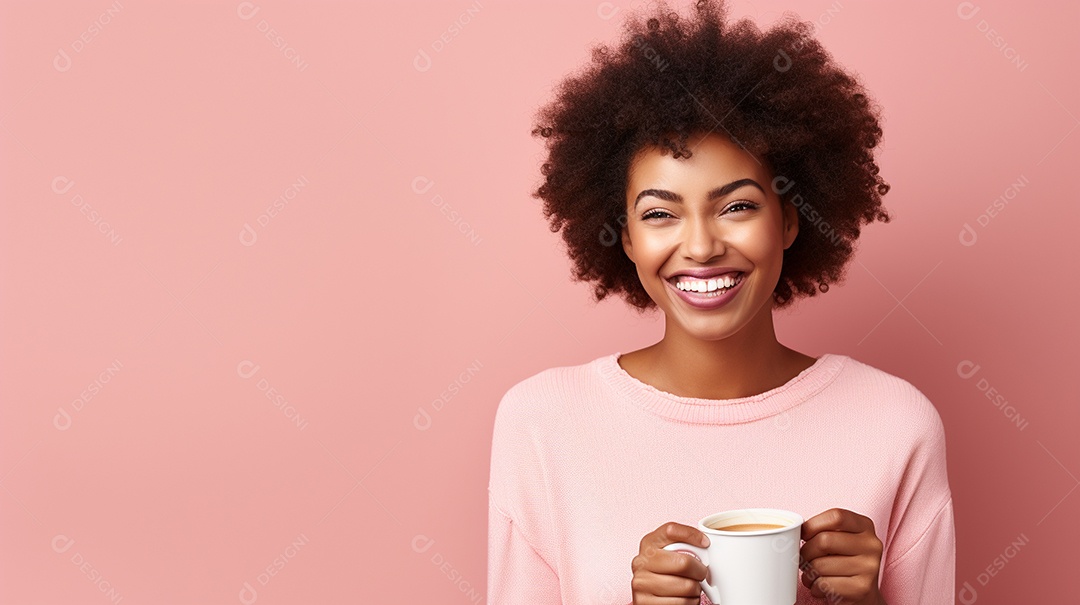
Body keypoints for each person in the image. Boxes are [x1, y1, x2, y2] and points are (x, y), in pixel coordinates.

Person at [487, 1, 955, 603]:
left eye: (736, 206)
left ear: (789, 219)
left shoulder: (897, 424)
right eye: (660, 214)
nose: (702, 246)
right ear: (625, 237)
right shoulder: (540, 423)